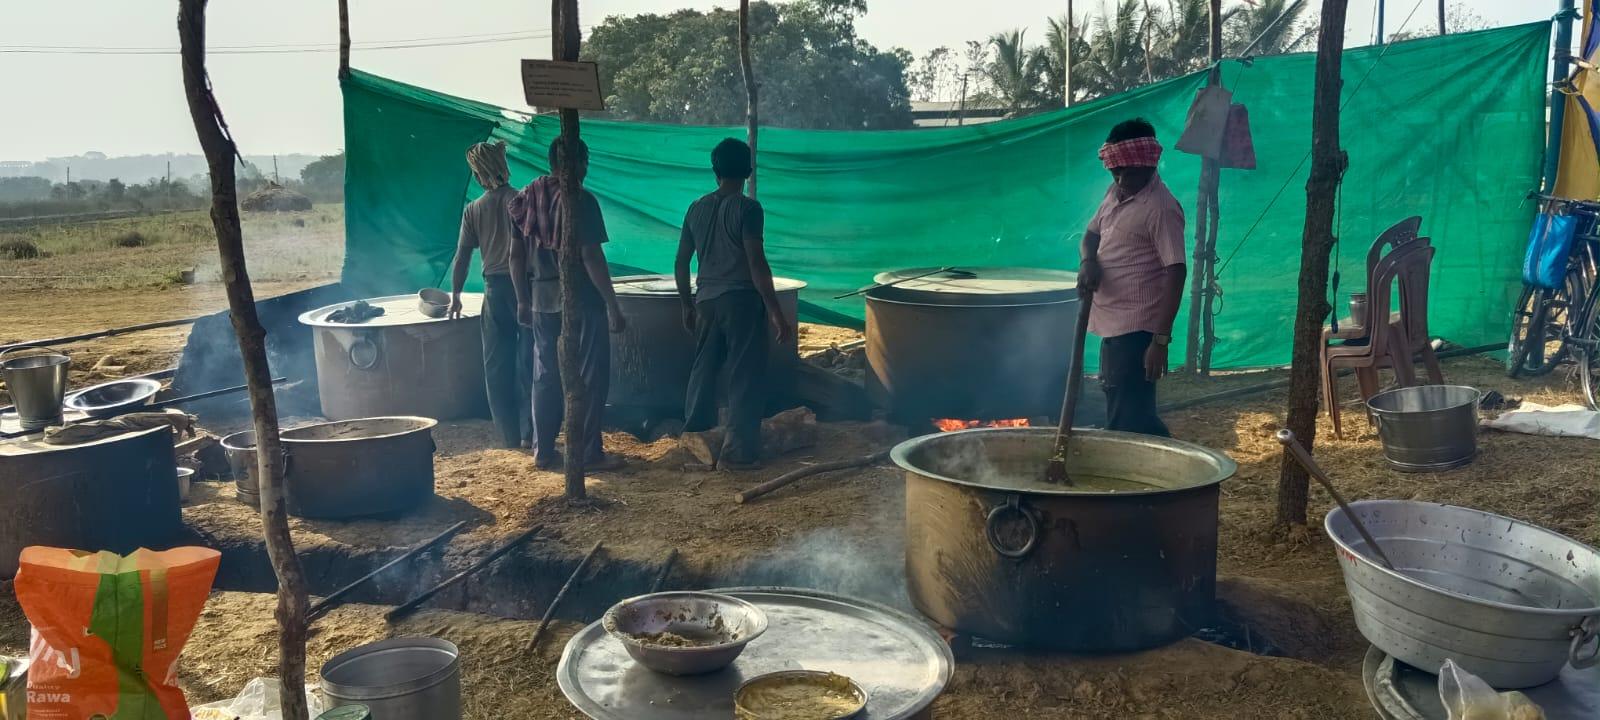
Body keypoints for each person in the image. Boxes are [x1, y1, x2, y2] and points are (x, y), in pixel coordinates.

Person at [509, 137, 627, 471]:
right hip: (580, 299)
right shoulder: (580, 201)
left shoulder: (523, 200)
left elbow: (515, 257)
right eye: (585, 161)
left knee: (544, 376)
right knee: (590, 375)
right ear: (576, 163)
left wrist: (521, 299)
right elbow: (591, 256)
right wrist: (613, 305)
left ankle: (543, 450)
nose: (586, 168)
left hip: (540, 300)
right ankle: (589, 452)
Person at [675, 138, 789, 470]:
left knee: (703, 369)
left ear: (715, 171)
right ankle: (738, 454)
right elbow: (756, 262)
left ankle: (695, 438)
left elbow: (682, 262)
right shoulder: (749, 209)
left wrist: (687, 304)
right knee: (745, 374)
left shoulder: (696, 208)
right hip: (740, 302)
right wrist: (776, 311)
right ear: (748, 171)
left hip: (706, 301)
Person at [1077, 118, 1186, 437]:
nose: (1121, 178)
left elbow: (1176, 270)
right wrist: (1088, 262)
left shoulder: (1161, 208)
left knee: (1130, 419)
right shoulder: (1115, 193)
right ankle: (1169, 473)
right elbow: (1090, 234)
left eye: (1128, 171)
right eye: (1115, 171)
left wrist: (1160, 341)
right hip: (1111, 323)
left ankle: (1162, 477)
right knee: (1126, 407)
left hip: (1138, 330)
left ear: (1148, 164)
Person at [450, 141, 530, 449]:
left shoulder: (474, 209)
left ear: (480, 175)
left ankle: (509, 437)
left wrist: (456, 294)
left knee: (497, 364)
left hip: (495, 290)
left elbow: (462, 258)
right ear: (503, 166)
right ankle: (529, 433)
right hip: (525, 285)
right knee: (529, 360)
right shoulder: (521, 200)